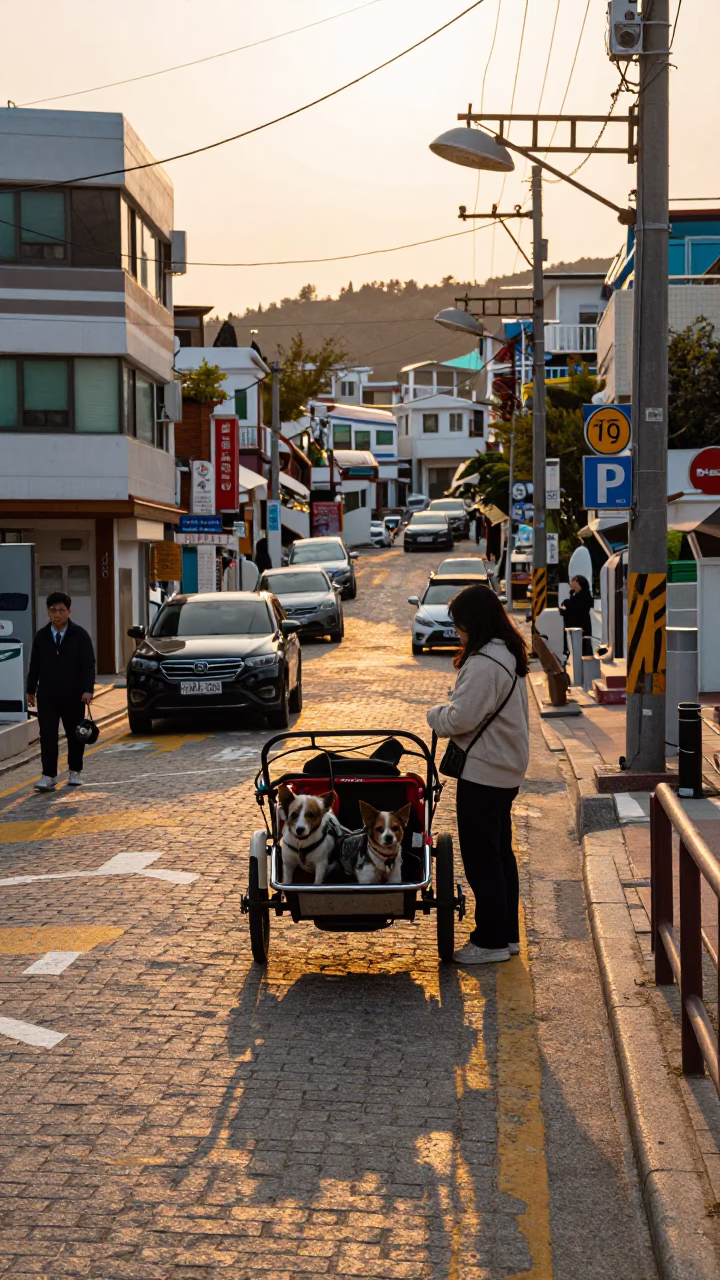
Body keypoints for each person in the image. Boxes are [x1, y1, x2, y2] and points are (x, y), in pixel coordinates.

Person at [427, 584, 530, 965]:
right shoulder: (507, 653)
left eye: (460, 627)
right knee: (500, 854)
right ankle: (507, 935)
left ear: (475, 623)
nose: (458, 634)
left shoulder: (486, 663)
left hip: (485, 772)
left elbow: (461, 718)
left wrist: (435, 715)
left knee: (482, 858)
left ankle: (490, 941)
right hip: (505, 768)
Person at [26, 591, 96, 792]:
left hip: (73, 695)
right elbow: (35, 665)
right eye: (53, 610)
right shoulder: (42, 636)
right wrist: (30, 690)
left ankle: (75, 771)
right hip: (47, 695)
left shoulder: (80, 635)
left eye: (61, 610)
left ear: (69, 611)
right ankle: (48, 776)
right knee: (47, 735)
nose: (57, 614)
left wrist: (87, 690)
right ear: (48, 611)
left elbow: (88, 665)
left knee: (75, 734)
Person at [559, 574, 594, 655]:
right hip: (576, 632)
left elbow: (571, 609)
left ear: (578, 583)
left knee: (582, 652)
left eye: (573, 581)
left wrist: (565, 605)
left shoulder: (583, 597)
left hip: (581, 632)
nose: (570, 583)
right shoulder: (577, 597)